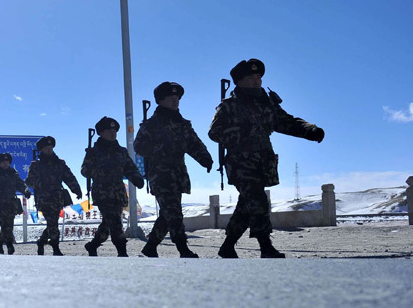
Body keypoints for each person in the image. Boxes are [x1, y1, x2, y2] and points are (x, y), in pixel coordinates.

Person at [208, 58, 325, 258]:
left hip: (263, 161)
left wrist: (309, 130)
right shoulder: (229, 106)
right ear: (239, 81)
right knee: (258, 200)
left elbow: (286, 122)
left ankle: (227, 246)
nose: (257, 81)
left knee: (246, 206)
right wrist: (241, 132)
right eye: (251, 78)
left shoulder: (267, 104)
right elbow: (214, 132)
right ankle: (265, 247)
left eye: (258, 77)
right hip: (240, 162)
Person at [134, 82, 214, 258]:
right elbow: (138, 146)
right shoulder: (151, 125)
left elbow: (194, 143)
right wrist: (158, 148)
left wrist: (204, 158)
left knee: (168, 213)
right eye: (170, 97)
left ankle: (150, 247)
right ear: (160, 100)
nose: (175, 100)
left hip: (178, 175)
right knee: (174, 212)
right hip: (160, 175)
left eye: (177, 97)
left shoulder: (182, 124)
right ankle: (182, 248)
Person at [81, 117, 144, 257]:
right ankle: (122, 251)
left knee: (108, 225)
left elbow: (130, 167)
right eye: (109, 130)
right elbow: (84, 171)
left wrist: (137, 178)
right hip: (102, 192)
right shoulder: (94, 152)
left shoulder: (121, 151)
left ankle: (93, 245)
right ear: (101, 133)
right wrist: (97, 171)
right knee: (115, 222)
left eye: (114, 130)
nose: (113, 133)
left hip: (118, 192)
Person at [25, 136, 82, 256]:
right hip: (44, 198)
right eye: (47, 148)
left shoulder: (59, 163)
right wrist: (42, 184)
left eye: (51, 147)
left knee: (53, 222)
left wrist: (76, 189)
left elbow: (69, 177)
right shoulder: (36, 165)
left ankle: (42, 241)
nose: (49, 150)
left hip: (57, 198)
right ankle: (55, 247)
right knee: (52, 222)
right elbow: (29, 181)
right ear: (41, 150)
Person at [0, 152, 30, 255]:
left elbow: (21, 185)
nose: (5, 164)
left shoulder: (14, 175)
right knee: (4, 225)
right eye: (3, 162)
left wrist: (26, 191)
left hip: (11, 204)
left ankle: (0, 243)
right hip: (0, 204)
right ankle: (9, 244)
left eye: (7, 162)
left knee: (9, 225)